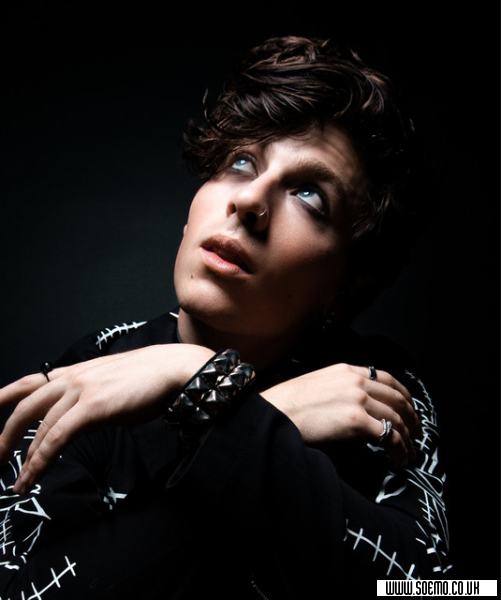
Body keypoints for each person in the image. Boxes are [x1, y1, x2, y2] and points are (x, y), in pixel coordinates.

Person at [0, 36, 450, 598]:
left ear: (349, 283)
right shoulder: (95, 369)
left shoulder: (376, 393)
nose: (251, 201)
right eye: (241, 163)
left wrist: (214, 406)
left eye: (310, 195)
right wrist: (253, 411)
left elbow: (446, 591)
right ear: (192, 213)